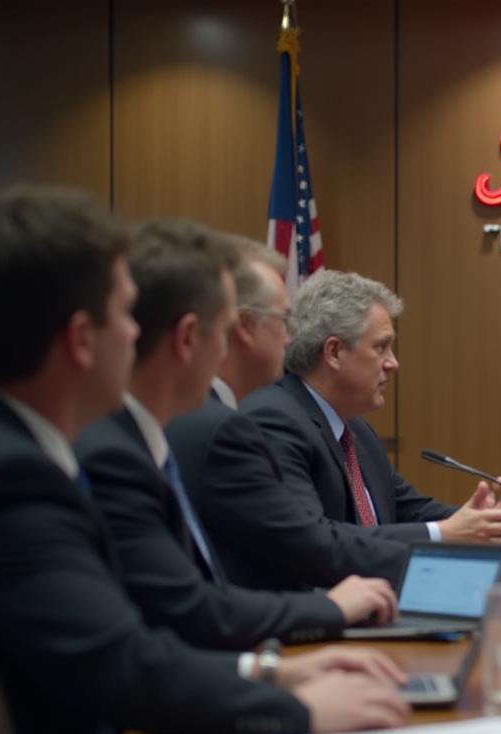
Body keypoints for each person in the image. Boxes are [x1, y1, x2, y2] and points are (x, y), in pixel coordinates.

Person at [0, 187, 407, 734]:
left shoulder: (33, 451)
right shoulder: (15, 478)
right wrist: (299, 708)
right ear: (81, 339)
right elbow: (122, 662)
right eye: (124, 316)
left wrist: (267, 670)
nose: (136, 333)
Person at [75, 220, 399, 648]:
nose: (291, 338)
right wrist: (322, 620)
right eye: (282, 321)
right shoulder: (174, 437)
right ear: (192, 335)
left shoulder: (163, 429)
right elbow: (186, 611)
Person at [167, 239, 412, 591]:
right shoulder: (229, 425)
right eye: (283, 321)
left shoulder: (213, 415)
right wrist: (336, 608)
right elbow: (306, 545)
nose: (290, 340)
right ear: (245, 326)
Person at [242, 269, 501, 542]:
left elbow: (406, 509)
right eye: (381, 347)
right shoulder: (275, 420)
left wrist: (481, 521)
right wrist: (443, 532)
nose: (393, 363)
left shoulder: (356, 429)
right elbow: (313, 537)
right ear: (334, 352)